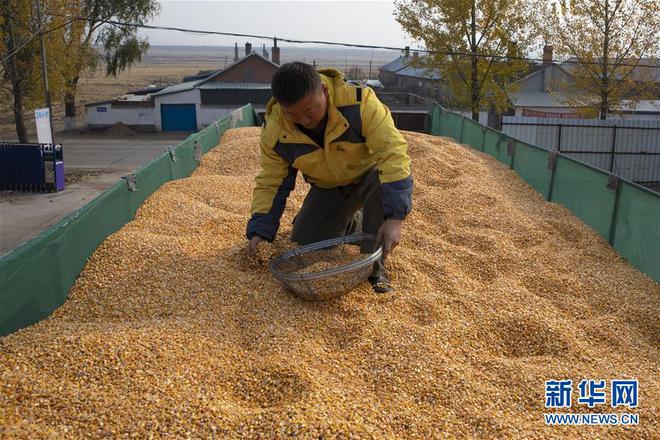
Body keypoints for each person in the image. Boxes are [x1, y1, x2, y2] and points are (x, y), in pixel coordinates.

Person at [246, 62, 413, 293]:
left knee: (379, 180)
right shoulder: (275, 130)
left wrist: (395, 218)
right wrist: (260, 232)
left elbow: (393, 155)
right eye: (292, 114)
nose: (303, 120)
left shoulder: (359, 103)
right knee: (306, 243)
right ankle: (354, 222)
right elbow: (272, 181)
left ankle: (374, 269)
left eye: (309, 110)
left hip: (368, 178)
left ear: (324, 91)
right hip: (328, 187)